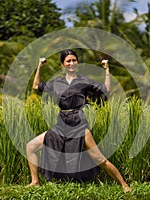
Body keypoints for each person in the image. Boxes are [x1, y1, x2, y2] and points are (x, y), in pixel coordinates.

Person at [26, 49, 131, 192]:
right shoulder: (56, 82)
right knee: (30, 146)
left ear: (77, 62)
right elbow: (35, 86)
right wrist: (39, 66)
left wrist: (107, 69)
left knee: (99, 158)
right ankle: (35, 181)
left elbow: (105, 89)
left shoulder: (84, 81)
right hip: (61, 124)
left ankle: (124, 185)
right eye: (68, 61)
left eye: (74, 60)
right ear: (63, 64)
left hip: (78, 124)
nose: (71, 63)